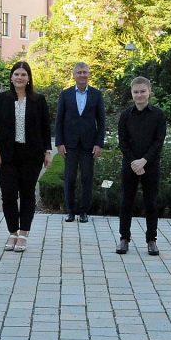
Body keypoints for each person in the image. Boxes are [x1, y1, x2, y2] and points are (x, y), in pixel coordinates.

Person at [0, 61, 52, 253]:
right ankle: (12, 232)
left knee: (27, 194)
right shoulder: (0, 99)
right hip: (7, 155)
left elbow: (45, 127)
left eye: (23, 74)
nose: (19, 77)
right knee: (8, 194)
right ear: (11, 77)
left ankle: (24, 233)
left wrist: (47, 151)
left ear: (29, 78)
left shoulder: (38, 100)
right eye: (16, 74)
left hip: (31, 155)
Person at [116, 77, 167, 256]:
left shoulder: (158, 115)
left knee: (151, 203)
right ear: (132, 93)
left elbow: (158, 141)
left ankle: (151, 240)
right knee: (126, 202)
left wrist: (144, 160)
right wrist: (134, 162)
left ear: (149, 92)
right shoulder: (125, 116)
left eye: (142, 91)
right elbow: (122, 142)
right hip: (130, 164)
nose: (139, 95)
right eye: (136, 92)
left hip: (150, 165)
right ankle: (124, 238)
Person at [55, 62, 105, 223]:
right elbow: (59, 120)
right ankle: (70, 211)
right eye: (79, 72)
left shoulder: (96, 94)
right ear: (74, 75)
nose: (82, 75)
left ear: (88, 74)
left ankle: (84, 211)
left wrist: (99, 144)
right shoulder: (65, 94)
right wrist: (59, 143)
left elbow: (101, 121)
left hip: (89, 144)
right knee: (69, 177)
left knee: (86, 177)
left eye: (85, 72)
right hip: (69, 143)